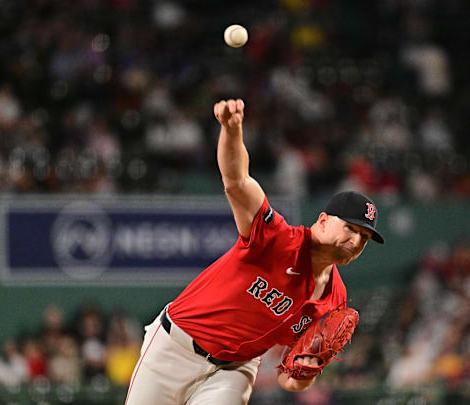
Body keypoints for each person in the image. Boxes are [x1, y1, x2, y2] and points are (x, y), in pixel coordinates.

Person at [124, 99, 385, 405]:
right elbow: (237, 182)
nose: (356, 241)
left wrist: (308, 370)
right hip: (175, 347)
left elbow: (288, 381)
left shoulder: (334, 300)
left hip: (234, 370)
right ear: (324, 221)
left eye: (365, 238)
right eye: (351, 229)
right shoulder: (277, 239)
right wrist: (231, 129)